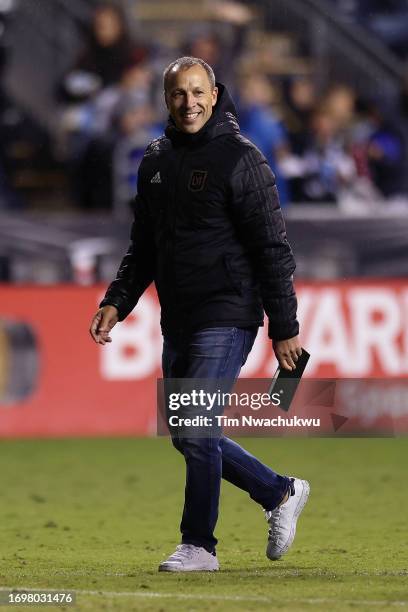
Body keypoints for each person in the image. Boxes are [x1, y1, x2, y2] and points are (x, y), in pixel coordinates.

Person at [89, 56, 310, 572]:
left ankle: (199, 546)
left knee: (196, 426)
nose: (188, 103)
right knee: (188, 430)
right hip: (179, 316)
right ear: (166, 100)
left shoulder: (242, 158)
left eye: (196, 93)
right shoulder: (155, 160)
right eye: (177, 94)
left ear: (214, 95)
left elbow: (273, 248)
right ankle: (279, 492)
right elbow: (143, 246)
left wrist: (285, 328)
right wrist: (117, 300)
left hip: (228, 312)